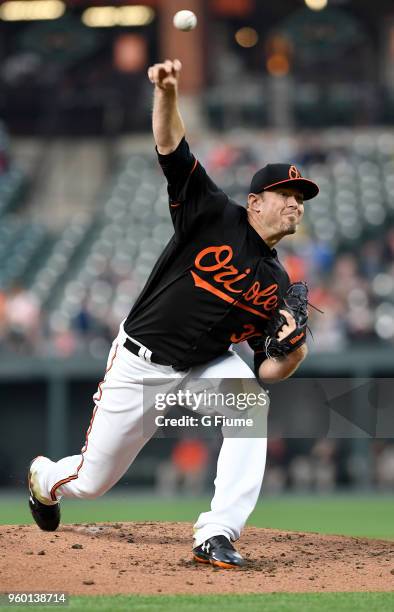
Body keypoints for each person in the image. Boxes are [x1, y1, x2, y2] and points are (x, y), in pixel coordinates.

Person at [28, 59, 319, 569]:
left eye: (301, 199)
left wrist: (295, 348)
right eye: (287, 195)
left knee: (250, 404)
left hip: (203, 365)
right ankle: (45, 479)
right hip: (142, 361)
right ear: (254, 201)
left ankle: (217, 532)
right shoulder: (212, 212)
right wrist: (165, 92)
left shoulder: (276, 282)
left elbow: (269, 369)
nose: (296, 205)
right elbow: (171, 148)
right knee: (92, 483)